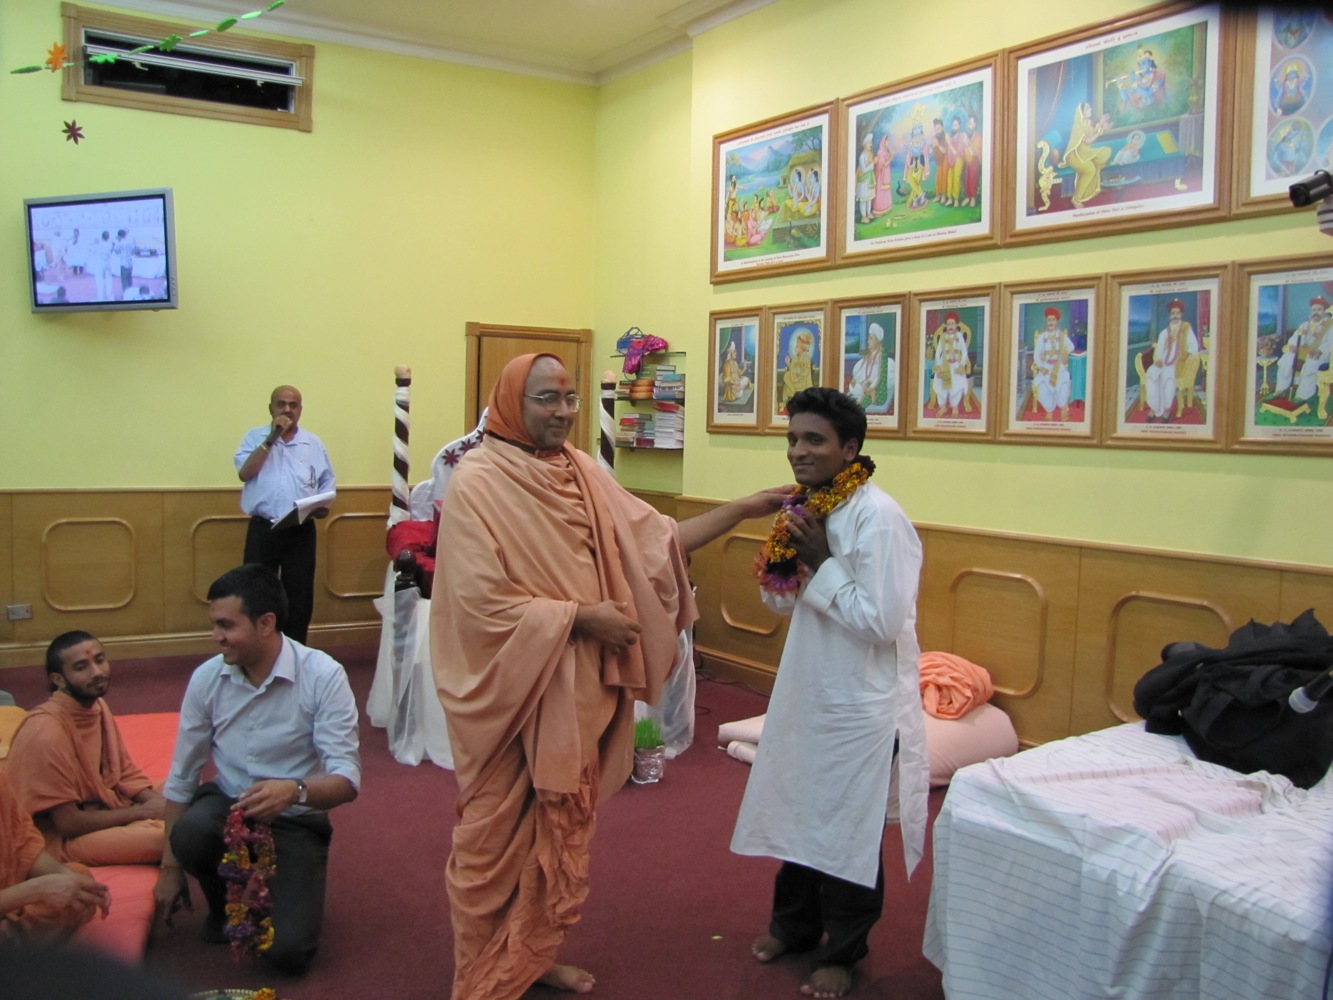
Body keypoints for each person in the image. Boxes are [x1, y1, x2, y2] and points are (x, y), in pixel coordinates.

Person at [430, 353, 785, 1000]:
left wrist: (744, 507)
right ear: (511, 402)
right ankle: (484, 973)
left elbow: (658, 542)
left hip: (577, 689)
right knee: (491, 841)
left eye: (569, 397)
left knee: (559, 829)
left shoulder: (582, 472)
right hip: (514, 694)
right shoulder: (477, 480)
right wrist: (579, 618)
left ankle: (532, 956)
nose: (562, 411)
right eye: (546, 399)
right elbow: (478, 604)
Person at [735, 387, 928, 1000]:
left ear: (850, 447)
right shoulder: (806, 507)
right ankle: (792, 928)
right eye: (792, 438)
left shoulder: (879, 517)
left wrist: (822, 560)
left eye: (813, 439)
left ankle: (845, 952)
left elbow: (881, 622)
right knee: (798, 811)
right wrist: (792, 556)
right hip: (808, 688)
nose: (798, 451)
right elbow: (777, 599)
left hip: (862, 704)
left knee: (847, 826)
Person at [152, 564, 360, 974]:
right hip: (227, 804)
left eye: (226, 626)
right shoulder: (207, 678)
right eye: (213, 625)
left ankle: (272, 897)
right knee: (191, 833)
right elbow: (182, 777)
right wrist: (170, 868)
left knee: (289, 954)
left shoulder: (323, 675)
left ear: (266, 623)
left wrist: (294, 792)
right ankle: (226, 907)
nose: (216, 637)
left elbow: (347, 779)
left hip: (295, 818)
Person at [6, 631, 166, 866]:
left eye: (100, 660)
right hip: (59, 838)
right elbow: (68, 823)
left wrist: (158, 803)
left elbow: (124, 773)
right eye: (82, 667)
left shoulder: (97, 705)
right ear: (58, 679)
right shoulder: (46, 734)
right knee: (164, 839)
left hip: (107, 804)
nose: (98, 672)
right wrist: (143, 813)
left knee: (192, 789)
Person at [234, 385, 335, 644]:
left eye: (293, 405)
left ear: (301, 410)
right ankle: (257, 649)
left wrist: (322, 506)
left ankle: (295, 651)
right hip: (263, 529)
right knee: (256, 593)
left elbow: (326, 484)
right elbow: (245, 473)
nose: (287, 410)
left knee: (299, 597)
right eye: (281, 404)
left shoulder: (313, 443)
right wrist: (272, 438)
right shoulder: (254, 437)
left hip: (300, 530)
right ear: (271, 408)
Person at [1, 769, 111, 944]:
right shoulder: (45, 741)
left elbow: (23, 846)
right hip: (62, 837)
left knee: (79, 880)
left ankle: (15, 941)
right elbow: (70, 822)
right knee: (154, 840)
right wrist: (37, 890)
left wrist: (67, 880)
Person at [1145, 299, 1200, 422]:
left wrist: (1186, 356)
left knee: (1168, 378)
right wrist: (1158, 359)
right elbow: (1159, 349)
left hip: (1178, 363)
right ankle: (1154, 408)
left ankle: (1166, 411)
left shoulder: (1186, 329)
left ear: (1181, 315)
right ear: (1170, 316)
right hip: (1163, 361)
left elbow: (1194, 347)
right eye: (1173, 313)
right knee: (1151, 373)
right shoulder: (1164, 332)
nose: (1175, 315)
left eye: (1177, 313)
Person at [1274, 295, 1332, 402]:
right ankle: (1281, 389)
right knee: (1286, 358)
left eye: (1319, 309)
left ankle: (1302, 395)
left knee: (1311, 361)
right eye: (1314, 309)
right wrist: (1293, 345)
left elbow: (1331, 341)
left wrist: (1321, 350)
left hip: (1321, 354)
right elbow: (1295, 337)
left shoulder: (1330, 325)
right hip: (1302, 351)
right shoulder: (1305, 325)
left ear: (1324, 311)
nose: (1316, 312)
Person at [1062, 102, 1113, 208]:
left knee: (1102, 154)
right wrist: (1101, 129)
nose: (1090, 110)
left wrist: (1101, 123)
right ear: (1081, 112)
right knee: (1090, 169)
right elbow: (1089, 140)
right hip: (1073, 156)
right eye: (1087, 108)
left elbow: (1091, 132)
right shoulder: (1078, 127)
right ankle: (1076, 199)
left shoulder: (1086, 123)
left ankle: (1084, 193)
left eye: (1090, 108)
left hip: (1082, 153)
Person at [1030, 307, 1075, 421]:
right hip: (1046, 369)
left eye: (1053, 320)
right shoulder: (1041, 337)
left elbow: (1071, 347)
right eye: (1049, 320)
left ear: (1056, 321)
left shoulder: (1062, 336)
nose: (1051, 322)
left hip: (1059, 368)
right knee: (1043, 389)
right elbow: (1036, 355)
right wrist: (1041, 367)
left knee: (1063, 388)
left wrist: (1064, 355)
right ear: (1047, 321)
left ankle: (1063, 408)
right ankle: (1049, 410)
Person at [930, 312, 972, 417]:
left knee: (956, 385)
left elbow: (964, 352)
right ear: (946, 325)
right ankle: (943, 407)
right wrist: (938, 365)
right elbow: (938, 352)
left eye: (952, 324)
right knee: (940, 385)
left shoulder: (959, 336)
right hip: (944, 365)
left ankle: (955, 407)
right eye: (948, 324)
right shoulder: (943, 337)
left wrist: (962, 365)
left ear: (956, 325)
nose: (950, 326)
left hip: (956, 366)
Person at [847, 322, 891, 411]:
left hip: (876, 384)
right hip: (866, 381)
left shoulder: (881, 355)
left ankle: (870, 394)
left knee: (865, 389)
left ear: (877, 340)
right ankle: (866, 391)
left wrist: (871, 387)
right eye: (869, 338)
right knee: (852, 387)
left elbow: (879, 376)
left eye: (871, 338)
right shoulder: (870, 353)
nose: (868, 341)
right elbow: (864, 369)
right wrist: (856, 378)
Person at [782, 330, 816, 409]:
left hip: (802, 381)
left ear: (803, 348)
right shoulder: (794, 357)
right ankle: (794, 393)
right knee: (786, 375)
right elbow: (792, 368)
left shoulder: (806, 357)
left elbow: (806, 371)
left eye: (797, 346)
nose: (795, 348)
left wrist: (798, 378)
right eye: (796, 345)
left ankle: (796, 394)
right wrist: (788, 364)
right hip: (794, 379)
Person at [855, 134, 876, 223]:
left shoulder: (870, 154)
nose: (871, 145)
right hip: (863, 180)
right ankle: (863, 216)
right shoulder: (862, 156)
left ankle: (868, 213)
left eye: (871, 143)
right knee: (864, 199)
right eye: (869, 143)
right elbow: (864, 169)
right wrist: (873, 163)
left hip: (869, 179)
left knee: (869, 198)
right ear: (865, 145)